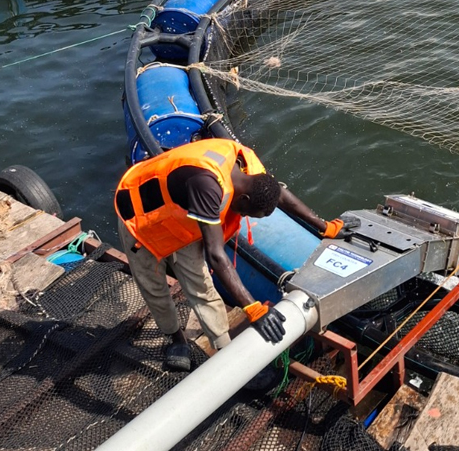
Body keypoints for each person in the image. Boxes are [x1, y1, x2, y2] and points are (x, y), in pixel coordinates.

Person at [114, 138, 345, 371]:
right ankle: (177, 340)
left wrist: (325, 227)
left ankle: (224, 346)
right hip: (141, 220)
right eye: (248, 213)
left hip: (181, 220)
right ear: (244, 199)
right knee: (154, 287)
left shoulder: (249, 169)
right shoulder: (206, 187)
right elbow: (215, 255)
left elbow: (281, 196)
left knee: (200, 283)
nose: (244, 217)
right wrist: (253, 309)